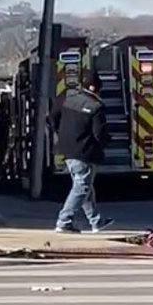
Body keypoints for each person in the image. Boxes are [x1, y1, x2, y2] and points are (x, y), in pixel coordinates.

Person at [49, 69, 114, 233]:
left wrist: (61, 133)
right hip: (84, 151)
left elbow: (51, 118)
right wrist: (106, 142)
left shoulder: (66, 98)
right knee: (82, 187)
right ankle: (64, 221)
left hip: (66, 149)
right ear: (96, 88)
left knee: (85, 186)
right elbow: (99, 133)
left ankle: (96, 221)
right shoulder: (96, 106)